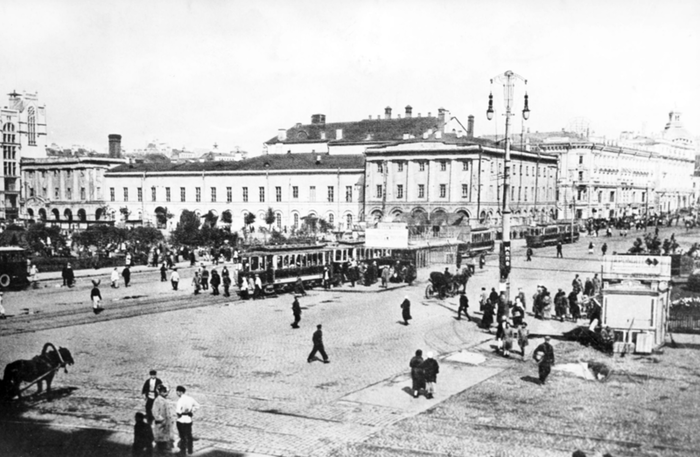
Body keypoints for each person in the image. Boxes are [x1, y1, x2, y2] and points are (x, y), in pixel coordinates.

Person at [175, 385, 200, 455]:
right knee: (189, 436)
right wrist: (192, 411)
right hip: (188, 420)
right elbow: (197, 405)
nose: (177, 393)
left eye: (177, 392)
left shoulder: (180, 400)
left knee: (182, 436)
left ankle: (182, 451)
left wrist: (180, 413)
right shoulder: (190, 399)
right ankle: (190, 450)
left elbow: (178, 411)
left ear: (180, 392)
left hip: (181, 420)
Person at [152, 384, 173, 452]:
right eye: (164, 392)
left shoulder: (164, 399)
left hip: (165, 423)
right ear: (160, 392)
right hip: (160, 424)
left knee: (165, 437)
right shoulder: (157, 400)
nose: (166, 393)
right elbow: (155, 412)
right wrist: (161, 420)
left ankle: (163, 449)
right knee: (160, 438)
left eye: (165, 391)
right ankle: (160, 450)